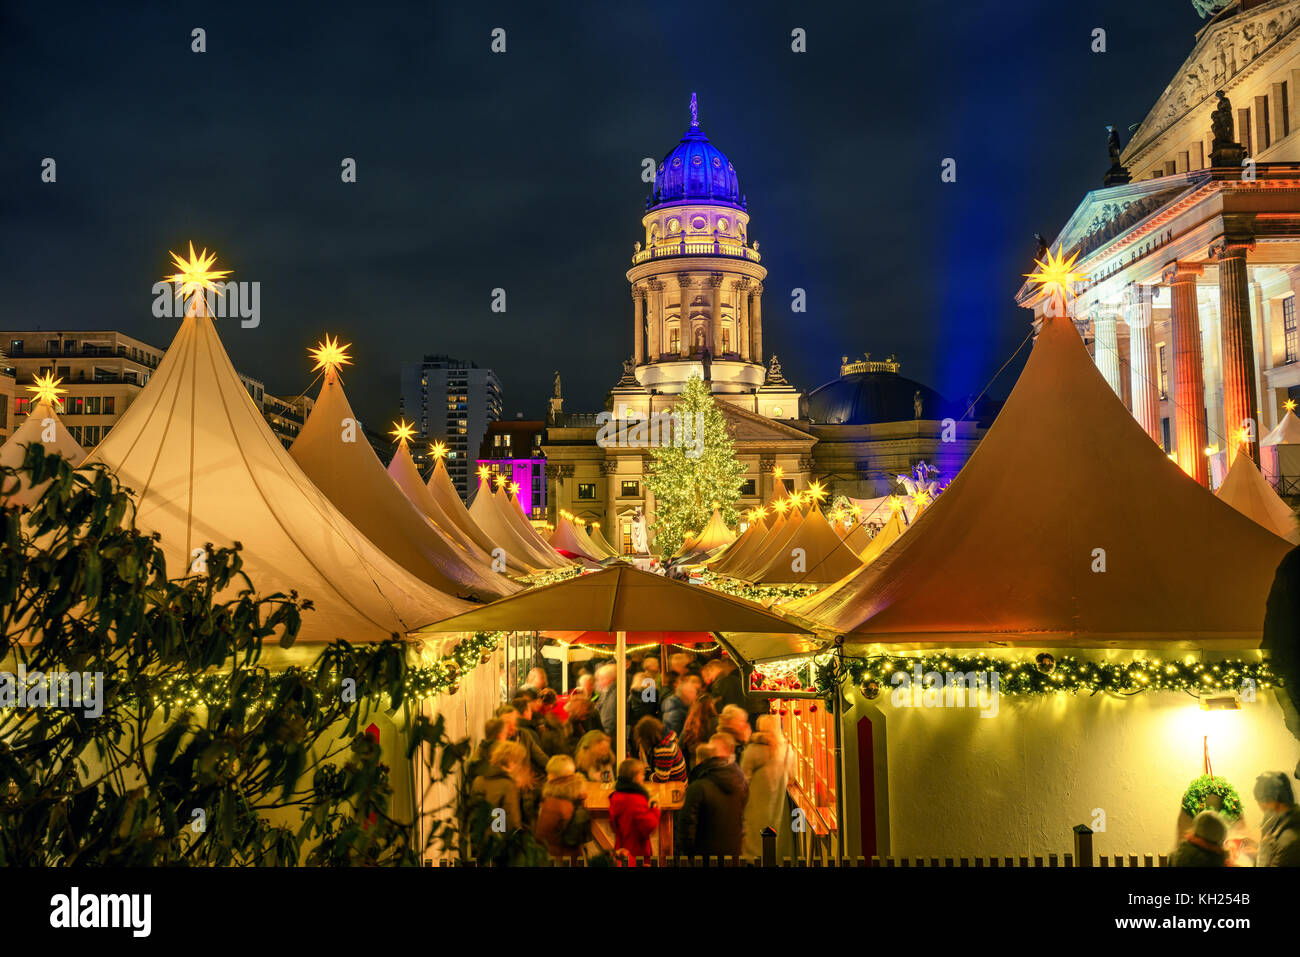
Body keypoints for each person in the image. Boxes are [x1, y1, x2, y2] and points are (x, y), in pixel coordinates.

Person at [678, 733, 749, 859]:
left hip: (705, 856)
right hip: (733, 852)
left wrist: (688, 853)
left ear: (700, 761)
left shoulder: (698, 788)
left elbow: (687, 825)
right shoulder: (739, 780)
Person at [740, 715, 794, 860]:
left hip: (755, 802)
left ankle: (755, 859)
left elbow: (743, 778)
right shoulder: (787, 749)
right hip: (778, 803)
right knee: (776, 833)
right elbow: (792, 775)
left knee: (755, 836)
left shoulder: (752, 750)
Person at [469, 740, 528, 849]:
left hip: (479, 840)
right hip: (499, 843)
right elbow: (511, 818)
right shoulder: (508, 785)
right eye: (519, 762)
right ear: (512, 762)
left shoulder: (479, 780)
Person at [534, 755, 591, 860]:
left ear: (556, 776)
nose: (547, 777)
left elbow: (541, 836)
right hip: (575, 855)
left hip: (555, 858)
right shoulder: (579, 795)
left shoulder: (553, 803)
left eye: (549, 773)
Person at [608, 758, 661, 864]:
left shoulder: (616, 796)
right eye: (641, 774)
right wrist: (655, 808)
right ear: (634, 776)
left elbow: (613, 824)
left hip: (622, 848)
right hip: (636, 852)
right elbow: (649, 825)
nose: (643, 777)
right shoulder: (636, 799)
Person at [1254, 771, 1300, 867]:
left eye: (1258, 799)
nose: (1258, 804)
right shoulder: (1282, 815)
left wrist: (1262, 853)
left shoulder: (1288, 839)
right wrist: (1256, 853)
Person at [633, 715, 688, 782]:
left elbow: (661, 779)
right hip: (671, 784)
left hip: (675, 788)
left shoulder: (664, 749)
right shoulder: (662, 742)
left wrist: (645, 776)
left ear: (647, 738)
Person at [680, 694, 718, 770]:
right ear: (711, 706)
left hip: (693, 765)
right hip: (711, 765)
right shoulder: (715, 722)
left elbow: (681, 745)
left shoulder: (690, 723)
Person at [593, 663, 619, 735]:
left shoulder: (613, 694)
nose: (598, 683)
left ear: (609, 679)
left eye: (600, 679)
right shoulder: (607, 692)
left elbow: (608, 720)